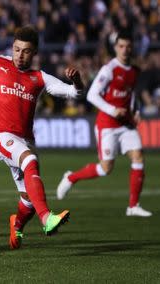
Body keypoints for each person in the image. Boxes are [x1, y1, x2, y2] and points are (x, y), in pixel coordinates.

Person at [0, 26, 84, 249]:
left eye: (26, 51)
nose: (20, 55)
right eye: (17, 49)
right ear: (12, 48)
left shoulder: (39, 79)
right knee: (30, 161)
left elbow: (74, 93)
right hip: (0, 136)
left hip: (25, 140)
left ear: (34, 53)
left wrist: (77, 80)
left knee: (28, 198)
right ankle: (47, 218)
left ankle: (17, 225)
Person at [56, 31, 152, 217]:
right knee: (106, 168)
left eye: (128, 46)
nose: (125, 50)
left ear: (132, 48)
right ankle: (71, 177)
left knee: (138, 156)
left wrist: (137, 110)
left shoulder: (134, 70)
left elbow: (132, 94)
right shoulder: (109, 69)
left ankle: (133, 206)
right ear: (116, 47)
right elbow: (92, 95)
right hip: (107, 124)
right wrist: (112, 110)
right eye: (121, 46)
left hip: (126, 124)